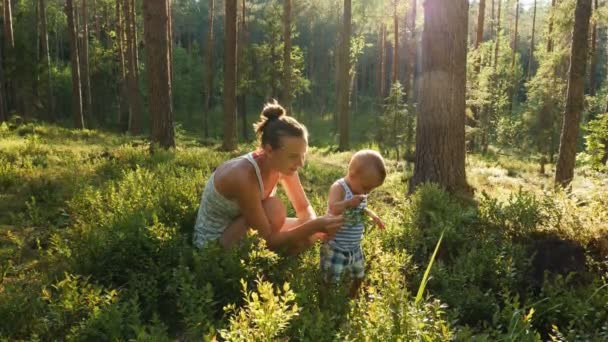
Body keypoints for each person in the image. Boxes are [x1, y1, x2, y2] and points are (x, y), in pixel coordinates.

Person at [193, 100, 343, 254]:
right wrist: (314, 226)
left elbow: (303, 207)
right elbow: (267, 239)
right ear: (269, 150)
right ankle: (264, 268)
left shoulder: (283, 165)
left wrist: (315, 227)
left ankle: (278, 259)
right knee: (275, 210)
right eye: (293, 156)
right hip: (213, 247)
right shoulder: (244, 176)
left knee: (309, 234)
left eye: (302, 155)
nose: (300, 163)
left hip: (247, 227)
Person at [320, 150, 386, 298]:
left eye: (371, 190)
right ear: (352, 175)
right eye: (366, 187)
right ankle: (327, 305)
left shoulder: (360, 191)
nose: (367, 193)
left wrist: (372, 215)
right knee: (331, 279)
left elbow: (361, 207)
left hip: (354, 247)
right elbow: (333, 207)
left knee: (359, 275)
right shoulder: (339, 187)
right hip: (336, 246)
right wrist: (348, 202)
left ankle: (351, 297)